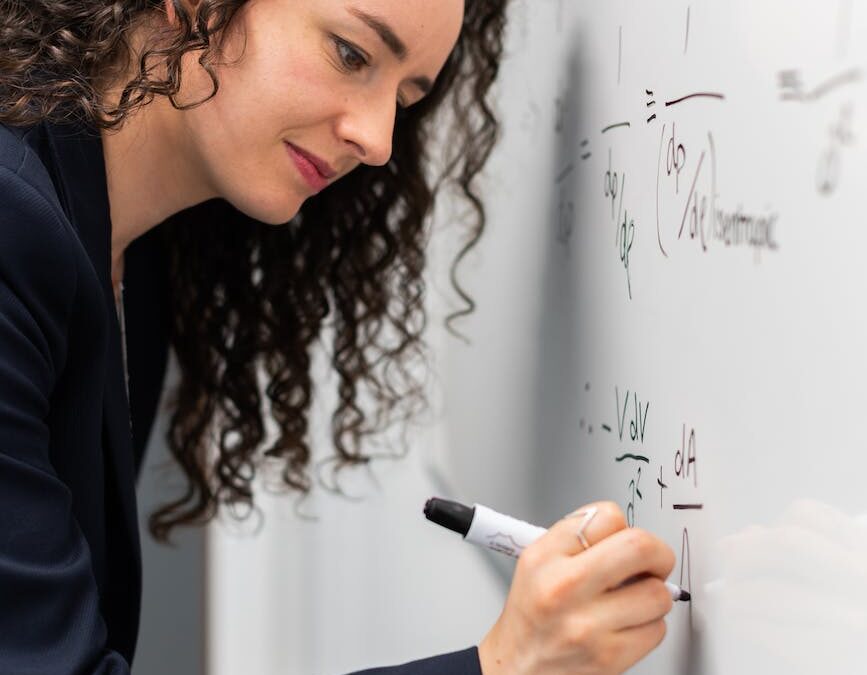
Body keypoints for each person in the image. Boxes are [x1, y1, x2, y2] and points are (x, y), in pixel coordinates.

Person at [0, 0, 677, 672]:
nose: (379, 140)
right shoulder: (14, 230)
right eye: (351, 54)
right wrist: (506, 663)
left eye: (407, 97)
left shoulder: (134, 244)